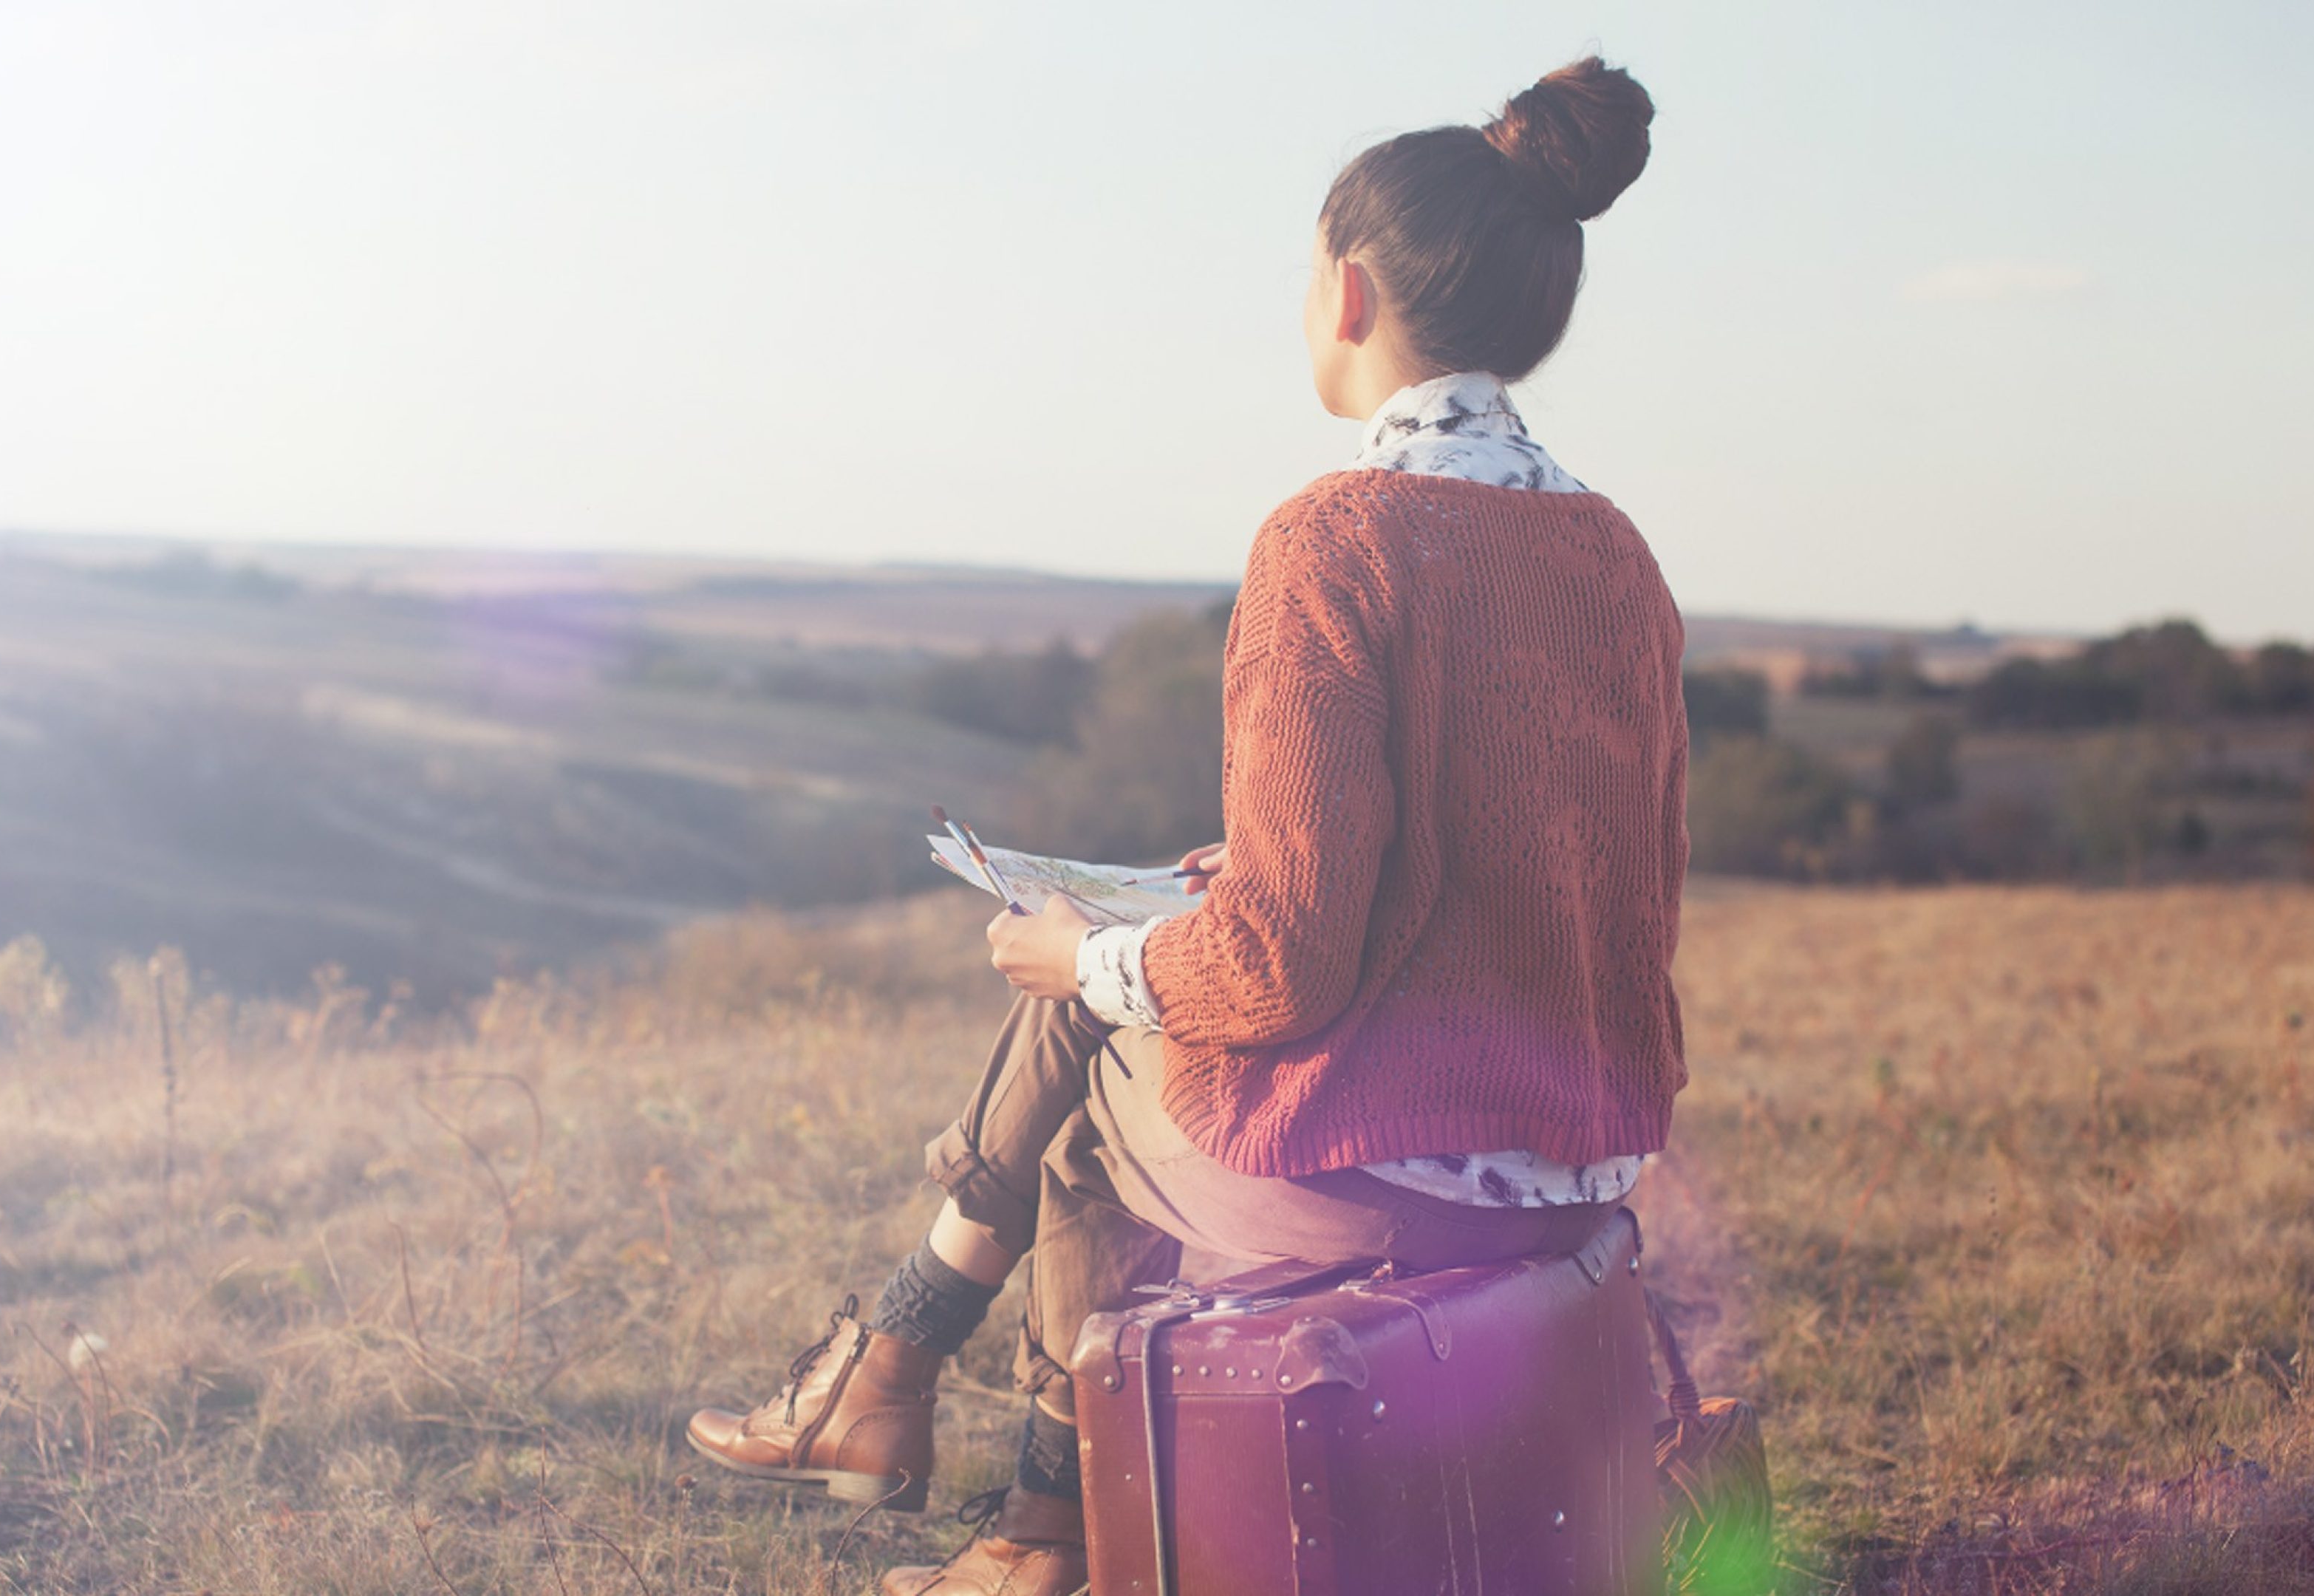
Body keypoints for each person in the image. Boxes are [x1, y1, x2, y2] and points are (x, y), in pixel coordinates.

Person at [688, 55, 1685, 1596]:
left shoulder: (1332, 542)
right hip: (1570, 1165)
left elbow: (1284, 970)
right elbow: (1554, 885)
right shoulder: (1615, 556)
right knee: (1107, 979)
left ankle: (984, 1487)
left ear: (1346, 294)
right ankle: (904, 1403)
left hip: (1391, 1182)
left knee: (1085, 1073)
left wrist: (1096, 959)